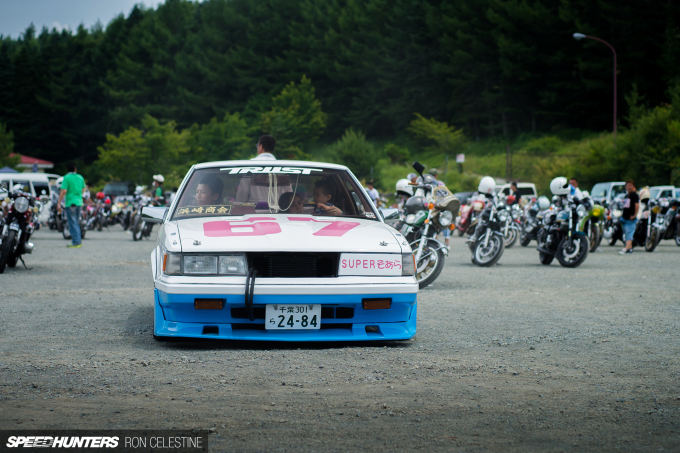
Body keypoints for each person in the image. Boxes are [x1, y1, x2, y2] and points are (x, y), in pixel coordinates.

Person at [236, 135, 291, 202]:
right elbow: (289, 195)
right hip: (277, 211)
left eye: (257, 145)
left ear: (261, 147)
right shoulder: (281, 168)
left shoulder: (250, 166)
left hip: (254, 211)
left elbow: (242, 194)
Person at [57, 163, 85, 249]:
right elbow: (83, 189)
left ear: (67, 169)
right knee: (76, 222)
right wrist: (78, 196)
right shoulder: (80, 177)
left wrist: (59, 202)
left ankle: (76, 242)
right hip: (79, 202)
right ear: (75, 169)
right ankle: (78, 240)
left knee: (72, 223)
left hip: (70, 203)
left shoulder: (66, 178)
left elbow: (64, 191)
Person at [619, 179, 639, 255]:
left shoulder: (634, 195)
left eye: (631, 185)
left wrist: (634, 215)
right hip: (625, 217)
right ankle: (629, 248)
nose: (629, 187)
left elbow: (637, 205)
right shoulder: (627, 195)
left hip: (630, 218)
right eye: (628, 185)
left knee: (629, 233)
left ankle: (627, 248)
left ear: (634, 187)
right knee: (626, 232)